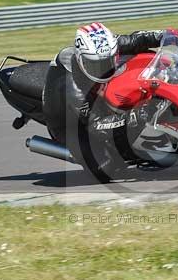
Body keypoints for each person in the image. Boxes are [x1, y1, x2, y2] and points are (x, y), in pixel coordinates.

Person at [55, 23, 167, 179]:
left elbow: (136, 39)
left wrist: (168, 36)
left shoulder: (106, 45)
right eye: (96, 65)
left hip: (95, 100)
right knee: (108, 168)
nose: (102, 70)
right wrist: (132, 117)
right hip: (69, 117)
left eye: (107, 62)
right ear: (82, 60)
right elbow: (97, 125)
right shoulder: (73, 89)